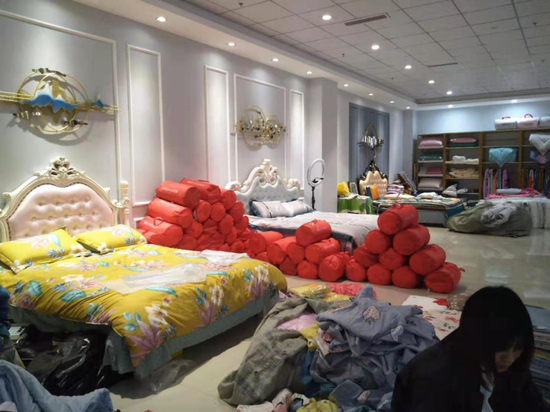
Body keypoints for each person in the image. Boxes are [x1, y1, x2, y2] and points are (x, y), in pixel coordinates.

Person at [392, 286, 550, 412]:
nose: (509, 358)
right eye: (500, 349)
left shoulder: (512, 365)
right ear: (477, 339)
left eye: (517, 348)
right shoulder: (434, 378)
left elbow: (534, 404)